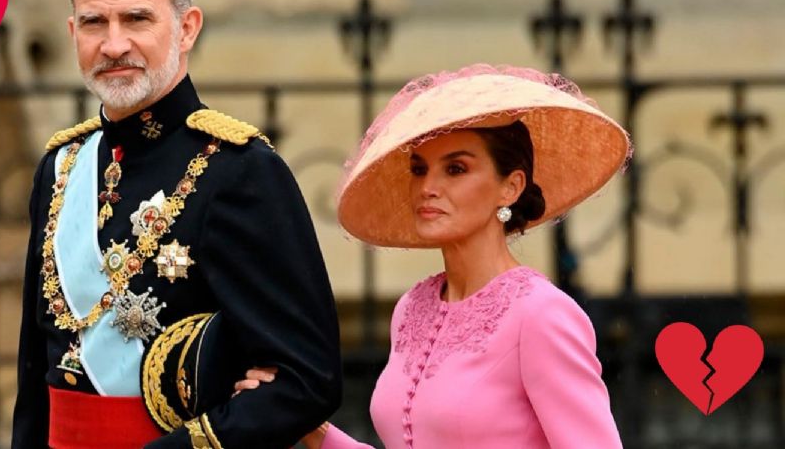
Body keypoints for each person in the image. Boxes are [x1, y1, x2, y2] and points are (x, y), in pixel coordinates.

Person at [12, 0, 342, 449]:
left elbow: (307, 381)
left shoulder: (240, 171)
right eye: (96, 22)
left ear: (187, 28)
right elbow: (36, 375)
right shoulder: (61, 166)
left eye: (137, 18)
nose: (114, 44)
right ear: (73, 32)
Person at [238, 64, 628, 448]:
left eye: (455, 169)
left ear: (510, 187)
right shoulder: (412, 309)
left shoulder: (541, 315)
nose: (428, 187)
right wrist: (312, 430)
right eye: (419, 169)